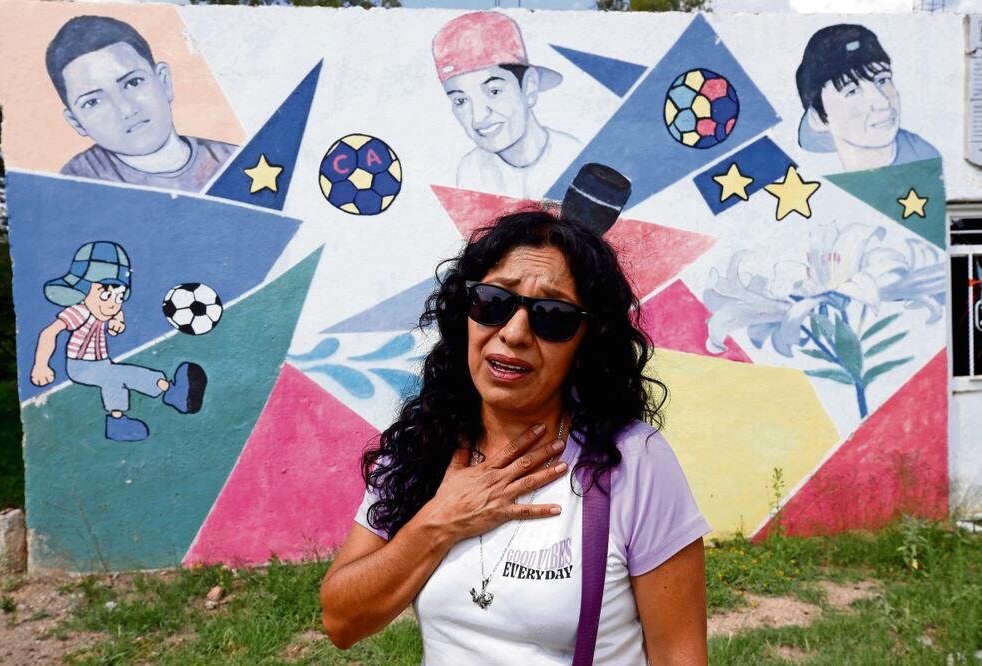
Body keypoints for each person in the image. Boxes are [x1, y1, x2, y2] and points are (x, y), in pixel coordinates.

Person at [321, 210, 710, 663]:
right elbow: (341, 622)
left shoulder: (632, 461)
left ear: (586, 344)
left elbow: (678, 654)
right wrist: (438, 522)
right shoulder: (423, 444)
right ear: (464, 314)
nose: (514, 333)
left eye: (553, 316)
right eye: (493, 302)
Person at [30, 241, 207, 442]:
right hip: (80, 367)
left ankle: (172, 392)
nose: (113, 304)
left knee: (131, 374)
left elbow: (116, 311)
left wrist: (118, 320)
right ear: (84, 289)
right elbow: (49, 333)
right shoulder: (78, 312)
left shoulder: (104, 310)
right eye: (106, 294)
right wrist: (41, 366)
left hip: (101, 363)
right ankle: (117, 423)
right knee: (114, 378)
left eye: (119, 296)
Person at [45, 15, 237, 192]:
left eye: (133, 83)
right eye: (93, 102)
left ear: (164, 81)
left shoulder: (234, 162)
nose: (126, 110)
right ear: (76, 122)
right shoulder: (78, 183)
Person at [432, 12, 582, 199]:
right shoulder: (471, 171)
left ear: (529, 87)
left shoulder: (574, 158)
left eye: (494, 91)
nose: (479, 117)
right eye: (460, 101)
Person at [795, 23, 939, 172]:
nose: (883, 102)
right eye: (852, 91)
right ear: (817, 119)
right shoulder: (811, 172)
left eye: (882, 80)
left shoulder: (926, 163)